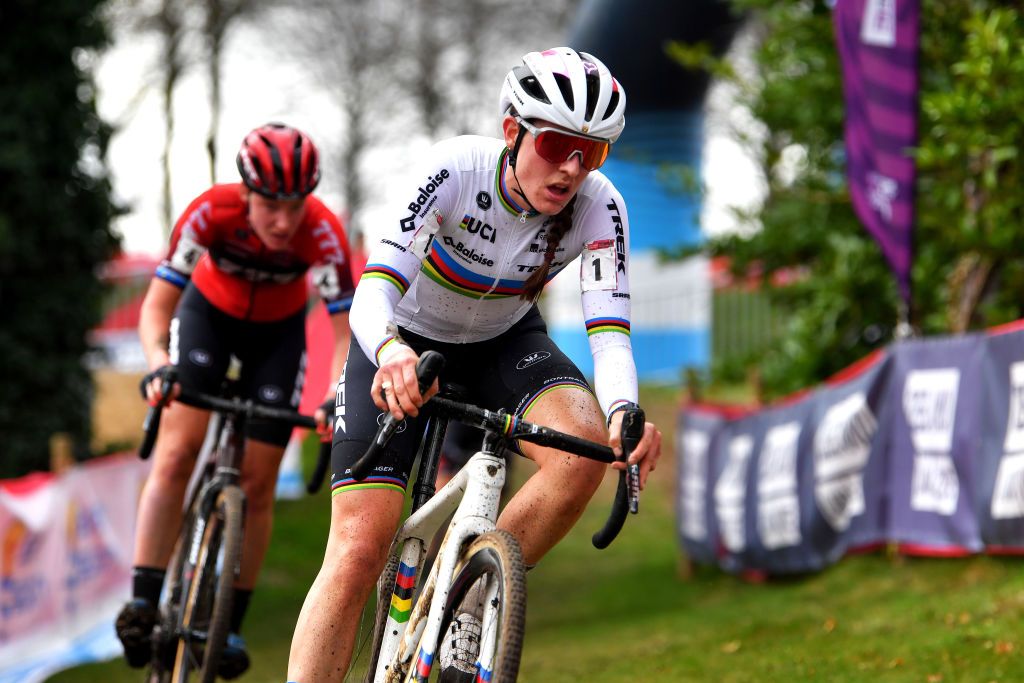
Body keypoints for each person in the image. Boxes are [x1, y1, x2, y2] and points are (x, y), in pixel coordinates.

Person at [287, 47, 662, 681]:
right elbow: (374, 289)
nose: (570, 168)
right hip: (403, 340)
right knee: (357, 549)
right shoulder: (455, 169)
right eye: (555, 144)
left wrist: (625, 409)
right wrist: (390, 351)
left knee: (583, 450)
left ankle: (463, 602)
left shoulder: (601, 207)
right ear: (513, 130)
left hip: (502, 339)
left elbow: (610, 331)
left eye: (591, 152)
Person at [115, 122, 356, 679]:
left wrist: (330, 397)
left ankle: (231, 621)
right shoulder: (210, 213)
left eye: (295, 205)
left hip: (278, 337)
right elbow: (156, 306)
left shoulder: (322, 235)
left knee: (257, 481)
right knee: (178, 452)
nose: (283, 220)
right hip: (208, 321)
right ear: (245, 192)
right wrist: (158, 366)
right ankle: (144, 600)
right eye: (270, 204)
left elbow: (344, 334)